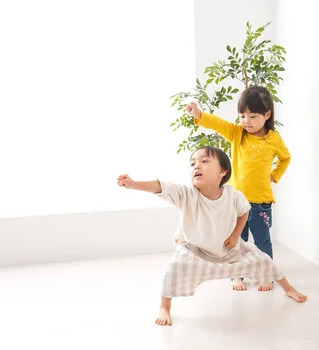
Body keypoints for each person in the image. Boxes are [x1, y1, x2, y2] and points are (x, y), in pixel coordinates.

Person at [117, 146, 307, 326]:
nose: (196, 166)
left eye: (204, 161)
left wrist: (235, 235)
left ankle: (288, 289)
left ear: (222, 171)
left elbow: (244, 212)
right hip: (195, 250)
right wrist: (133, 184)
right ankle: (164, 306)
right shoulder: (186, 194)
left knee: (264, 260)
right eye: (192, 164)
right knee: (174, 269)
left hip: (228, 248)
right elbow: (160, 186)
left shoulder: (233, 195)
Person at [186, 86, 290, 292]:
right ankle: (236, 276)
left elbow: (285, 158)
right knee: (236, 240)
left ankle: (265, 274)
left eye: (252, 116)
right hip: (235, 203)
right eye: (242, 116)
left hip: (261, 202)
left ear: (267, 114)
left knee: (262, 241)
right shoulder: (237, 134)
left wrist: (274, 175)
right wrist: (198, 114)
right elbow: (217, 124)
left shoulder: (274, 139)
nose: (246, 121)